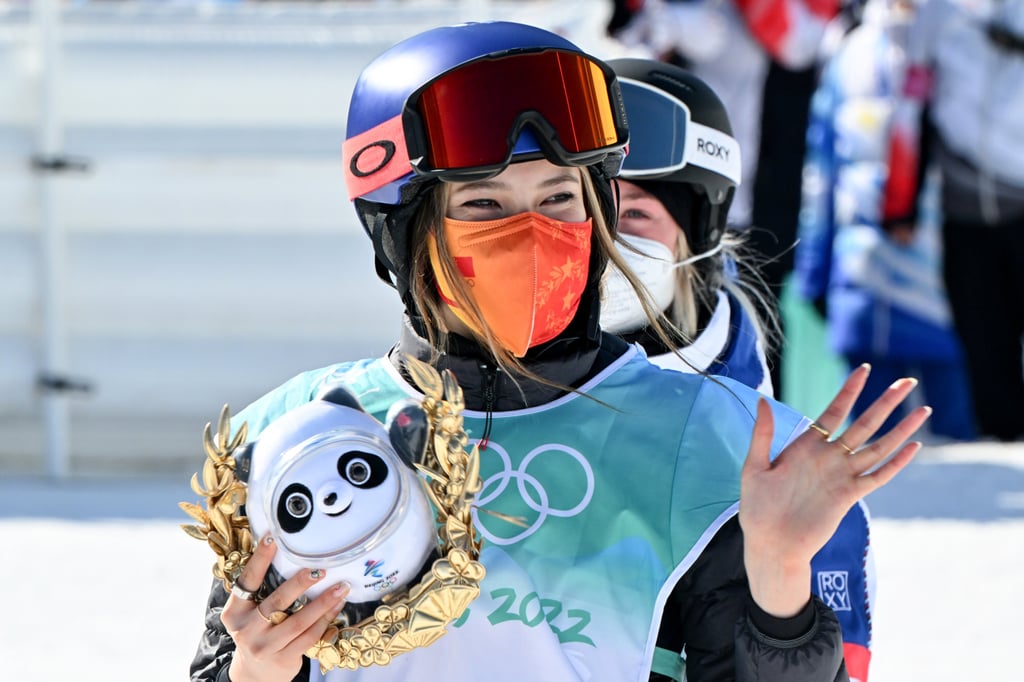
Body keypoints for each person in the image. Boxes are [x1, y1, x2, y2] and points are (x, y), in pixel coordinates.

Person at [189, 21, 930, 682]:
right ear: (402, 232)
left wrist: (780, 586)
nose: (533, 232)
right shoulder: (295, 437)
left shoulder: (715, 443)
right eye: (482, 205)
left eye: (559, 200)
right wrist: (257, 671)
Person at [601, 57, 875, 681]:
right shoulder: (461, 411)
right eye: (581, 210)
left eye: (635, 215)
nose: (603, 243)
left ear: (696, 236)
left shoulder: (785, 464)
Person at [795, 0, 977, 443]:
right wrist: (815, 268)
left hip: (948, 287)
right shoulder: (851, 48)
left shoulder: (967, 42)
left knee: (968, 448)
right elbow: (823, 168)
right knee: (870, 451)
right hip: (866, 283)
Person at [880, 0, 1024, 442]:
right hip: (963, 203)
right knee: (980, 330)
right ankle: (1000, 438)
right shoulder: (937, 11)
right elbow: (913, 102)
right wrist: (901, 203)